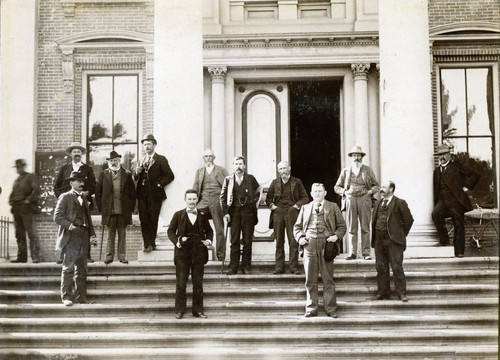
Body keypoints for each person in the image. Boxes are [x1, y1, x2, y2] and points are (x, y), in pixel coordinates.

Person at [293, 183, 346, 318]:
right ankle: (311, 308)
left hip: (326, 245)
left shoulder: (333, 206)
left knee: (328, 279)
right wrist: (300, 238)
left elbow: (342, 226)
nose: (317, 193)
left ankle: (331, 309)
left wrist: (336, 236)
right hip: (310, 245)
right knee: (310, 279)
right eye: (315, 191)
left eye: (320, 191)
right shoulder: (305, 208)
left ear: (325, 193)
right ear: (311, 193)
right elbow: (297, 227)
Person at [167, 189, 213, 319]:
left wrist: (208, 241)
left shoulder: (203, 215)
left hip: (198, 251)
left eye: (194, 199)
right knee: (181, 282)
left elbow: (210, 231)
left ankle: (198, 310)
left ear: (197, 200)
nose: (192, 202)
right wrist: (178, 241)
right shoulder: (178, 215)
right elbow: (170, 231)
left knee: (198, 282)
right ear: (185, 200)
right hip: (183, 252)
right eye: (189, 199)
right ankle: (180, 310)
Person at [54, 171, 96, 306]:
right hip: (71, 236)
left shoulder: (83, 198)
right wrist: (70, 226)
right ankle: (66, 297)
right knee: (68, 267)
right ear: (71, 182)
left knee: (82, 268)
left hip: (84, 235)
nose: (82, 183)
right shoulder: (65, 197)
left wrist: (92, 235)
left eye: (83, 181)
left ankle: (81, 297)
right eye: (78, 181)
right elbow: (57, 217)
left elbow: (88, 219)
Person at [432, 144, 480, 257]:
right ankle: (444, 241)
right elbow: (436, 189)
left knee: (458, 224)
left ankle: (459, 251)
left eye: (444, 154)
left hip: (456, 200)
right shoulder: (437, 171)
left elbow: (475, 175)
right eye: (440, 155)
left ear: (449, 154)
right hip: (443, 201)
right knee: (435, 214)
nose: (442, 157)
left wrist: (466, 187)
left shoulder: (457, 166)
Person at [334, 145, 380, 260]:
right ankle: (352, 253)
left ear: (361, 157)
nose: (356, 158)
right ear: (351, 157)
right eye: (354, 155)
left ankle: (366, 253)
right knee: (352, 227)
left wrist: (369, 192)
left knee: (365, 227)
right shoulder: (345, 171)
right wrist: (345, 192)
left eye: (358, 155)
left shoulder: (367, 170)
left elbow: (376, 186)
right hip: (350, 199)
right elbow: (337, 187)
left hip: (365, 199)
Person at [371, 180, 414, 302]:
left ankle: (401, 293)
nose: (381, 190)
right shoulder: (378, 203)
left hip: (394, 241)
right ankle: (383, 292)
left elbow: (409, 221)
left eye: (384, 187)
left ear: (391, 189)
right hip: (379, 240)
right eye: (381, 187)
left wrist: (400, 235)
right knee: (380, 267)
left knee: (396, 267)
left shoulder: (400, 203)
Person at [54, 142, 96, 263]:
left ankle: (86, 256)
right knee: (66, 227)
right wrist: (61, 199)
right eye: (74, 152)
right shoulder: (65, 168)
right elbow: (56, 186)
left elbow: (93, 185)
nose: (76, 154)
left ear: (81, 154)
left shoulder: (87, 169)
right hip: (68, 203)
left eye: (78, 152)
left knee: (85, 226)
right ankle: (63, 256)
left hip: (83, 203)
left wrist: (87, 194)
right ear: (71, 154)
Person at [266, 161, 309, 274]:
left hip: (292, 213)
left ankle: (293, 267)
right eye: (280, 169)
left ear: (289, 168)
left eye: (284, 168)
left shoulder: (297, 182)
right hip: (278, 213)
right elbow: (268, 198)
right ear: (278, 170)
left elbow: (305, 198)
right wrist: (273, 207)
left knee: (293, 241)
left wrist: (296, 206)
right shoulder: (274, 183)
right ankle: (279, 267)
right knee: (279, 241)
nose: (282, 171)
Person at [134, 134, 175, 253]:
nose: (146, 147)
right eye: (144, 144)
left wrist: (159, 184)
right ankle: (146, 243)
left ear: (154, 145)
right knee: (143, 219)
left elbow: (170, 176)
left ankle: (151, 243)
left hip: (154, 195)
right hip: (142, 194)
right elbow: (135, 177)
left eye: (149, 144)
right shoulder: (141, 160)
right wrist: (136, 172)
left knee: (153, 219)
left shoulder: (160, 159)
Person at [220, 156, 261, 275]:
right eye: (236, 164)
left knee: (248, 241)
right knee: (234, 241)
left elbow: (259, 191)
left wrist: (255, 204)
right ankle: (233, 267)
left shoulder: (251, 178)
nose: (238, 166)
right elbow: (222, 198)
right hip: (234, 213)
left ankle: (246, 266)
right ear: (233, 166)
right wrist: (226, 213)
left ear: (244, 166)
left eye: (240, 164)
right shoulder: (228, 179)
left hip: (248, 213)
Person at [95, 151, 136, 265]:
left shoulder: (127, 174)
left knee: (122, 235)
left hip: (123, 211)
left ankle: (122, 257)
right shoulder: (103, 174)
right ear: (108, 162)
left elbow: (133, 194)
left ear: (119, 161)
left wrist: (131, 209)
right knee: (110, 235)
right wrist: (101, 209)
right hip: (109, 211)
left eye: (116, 160)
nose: (113, 162)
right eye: (111, 161)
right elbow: (98, 193)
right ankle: (109, 257)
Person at [193, 149, 229, 261]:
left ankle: (221, 255)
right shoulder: (200, 171)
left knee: (219, 228)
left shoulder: (221, 170)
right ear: (203, 158)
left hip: (216, 199)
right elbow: (196, 186)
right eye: (206, 156)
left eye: (210, 156)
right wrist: (194, 202)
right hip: (203, 199)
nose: (208, 158)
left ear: (214, 157)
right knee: (194, 221)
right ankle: (196, 251)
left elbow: (229, 185)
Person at [9, 159, 41, 263]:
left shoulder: (31, 176)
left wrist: (28, 200)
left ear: (24, 166)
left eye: (21, 166)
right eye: (17, 167)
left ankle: (35, 257)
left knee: (31, 233)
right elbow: (12, 194)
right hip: (16, 208)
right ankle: (21, 257)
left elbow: (36, 190)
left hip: (26, 208)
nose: (19, 168)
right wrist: (11, 201)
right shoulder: (17, 180)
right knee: (19, 233)